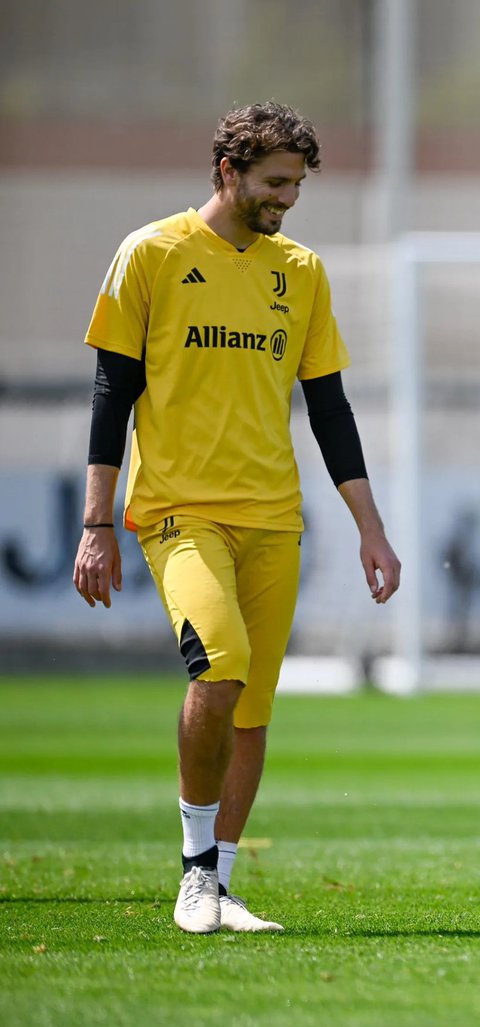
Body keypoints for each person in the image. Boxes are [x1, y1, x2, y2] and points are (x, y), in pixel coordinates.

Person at [71, 101, 402, 934]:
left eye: (295, 185)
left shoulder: (303, 271)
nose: (287, 199)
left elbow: (329, 408)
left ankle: (217, 886)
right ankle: (192, 873)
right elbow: (113, 393)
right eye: (273, 182)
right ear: (227, 171)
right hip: (180, 510)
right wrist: (95, 522)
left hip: (274, 518)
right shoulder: (150, 253)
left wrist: (370, 526)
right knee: (218, 669)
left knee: (251, 705)